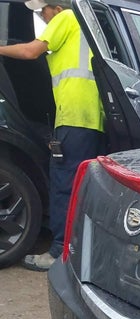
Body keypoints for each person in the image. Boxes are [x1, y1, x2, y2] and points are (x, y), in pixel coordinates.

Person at [0, 0, 104, 271]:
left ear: (56, 8)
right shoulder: (85, 28)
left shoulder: (66, 17)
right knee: (79, 185)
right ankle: (81, 248)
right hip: (90, 117)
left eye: (42, 11)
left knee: (63, 185)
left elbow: (30, 51)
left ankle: (59, 252)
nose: (42, 17)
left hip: (73, 115)